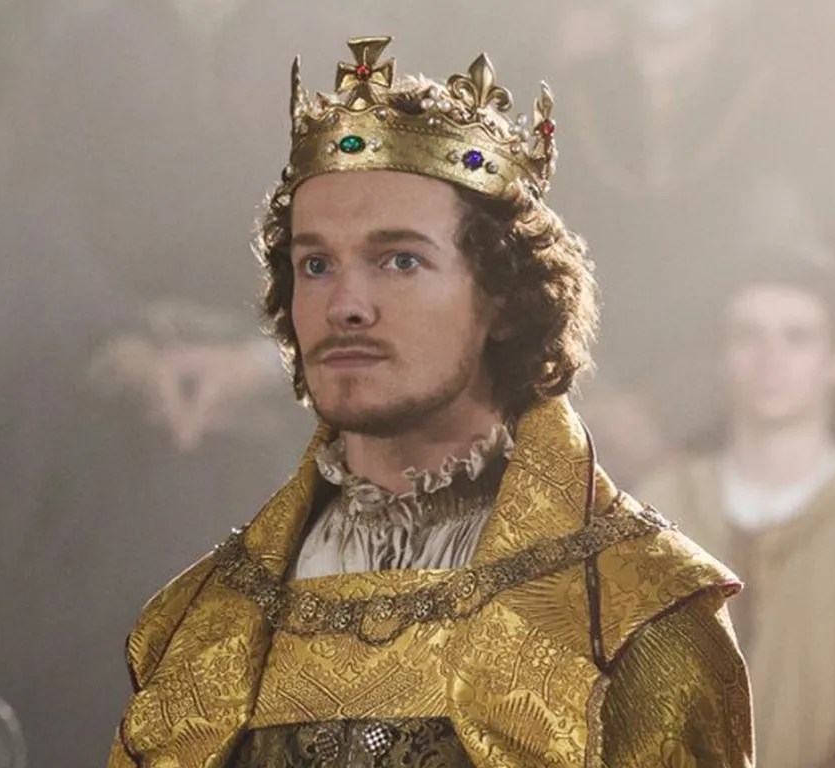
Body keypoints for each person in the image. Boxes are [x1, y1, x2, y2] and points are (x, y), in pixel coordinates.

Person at [106, 37, 752, 768]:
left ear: (502, 297)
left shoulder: (640, 618)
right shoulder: (199, 623)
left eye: (400, 260)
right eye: (316, 264)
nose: (345, 304)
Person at [642, 252, 835, 767]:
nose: (770, 359)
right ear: (721, 356)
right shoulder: (657, 509)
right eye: (748, 336)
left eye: (797, 337)